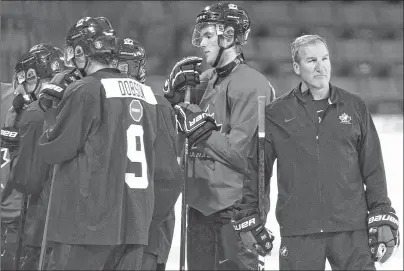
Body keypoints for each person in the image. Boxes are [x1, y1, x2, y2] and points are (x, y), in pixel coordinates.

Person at [263, 34, 400, 270]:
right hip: (299, 232)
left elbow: (374, 168)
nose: (320, 67)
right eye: (311, 60)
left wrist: (381, 211)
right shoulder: (275, 113)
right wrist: (250, 216)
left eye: (325, 59)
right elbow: (259, 173)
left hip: (351, 231)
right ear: (296, 67)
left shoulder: (354, 106)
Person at [37, 17, 159, 270]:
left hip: (88, 224)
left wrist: (49, 112)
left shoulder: (85, 89)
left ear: (83, 50)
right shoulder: (146, 94)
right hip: (135, 224)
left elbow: (54, 149)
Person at [163, 3, 275, 270]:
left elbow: (243, 155)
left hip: (234, 212)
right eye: (199, 35)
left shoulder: (252, 83)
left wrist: (203, 131)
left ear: (228, 36)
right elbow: (173, 127)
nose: (201, 43)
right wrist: (171, 96)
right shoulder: (207, 79)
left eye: (207, 35)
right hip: (200, 206)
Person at [112, 36, 183, 271]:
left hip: (144, 226)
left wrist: (146, 224)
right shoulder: (157, 103)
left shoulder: (156, 105)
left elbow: (168, 178)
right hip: (131, 224)